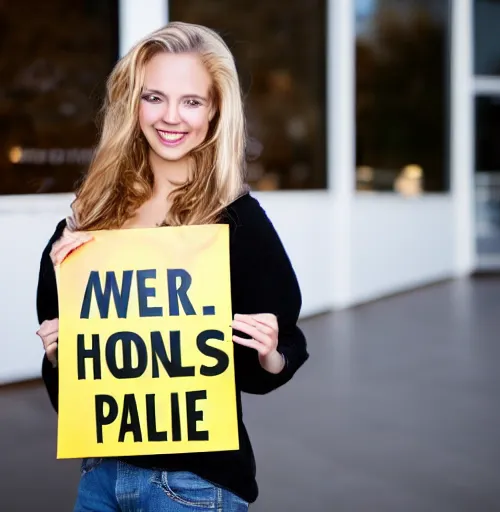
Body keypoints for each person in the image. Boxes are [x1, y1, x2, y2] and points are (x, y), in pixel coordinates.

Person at [36, 21, 308, 512]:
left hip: (194, 485)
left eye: (192, 101)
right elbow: (76, 377)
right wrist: (59, 352)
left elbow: (283, 347)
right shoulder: (91, 217)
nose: (171, 117)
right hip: (100, 474)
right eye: (154, 97)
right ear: (133, 104)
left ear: (214, 111)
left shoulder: (235, 219)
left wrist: (268, 351)